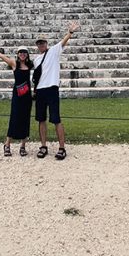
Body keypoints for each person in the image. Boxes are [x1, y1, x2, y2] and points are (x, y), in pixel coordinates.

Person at [33, 20, 80, 161]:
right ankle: (43, 146)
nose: (41, 45)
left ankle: (61, 148)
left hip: (52, 88)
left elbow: (63, 42)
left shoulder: (53, 51)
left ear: (46, 44)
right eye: (39, 43)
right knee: (41, 119)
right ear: (37, 45)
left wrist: (70, 32)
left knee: (56, 119)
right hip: (40, 90)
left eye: (43, 42)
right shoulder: (36, 59)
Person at [0, 42, 34, 156]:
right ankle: (7, 144)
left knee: (25, 120)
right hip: (17, 95)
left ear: (27, 55)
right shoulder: (14, 63)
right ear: (17, 54)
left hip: (27, 96)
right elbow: (2, 57)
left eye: (24, 53)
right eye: (20, 52)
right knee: (14, 119)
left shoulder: (30, 65)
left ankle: (23, 145)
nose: (22, 54)